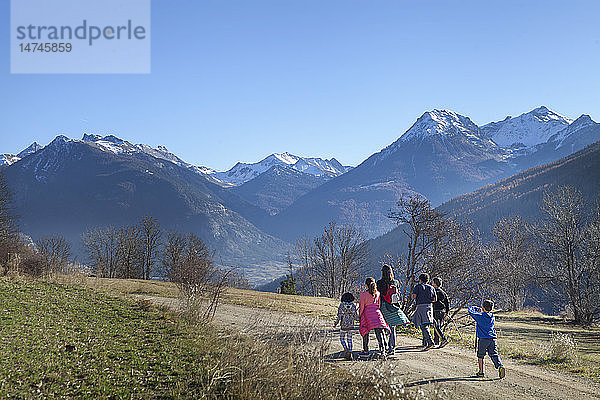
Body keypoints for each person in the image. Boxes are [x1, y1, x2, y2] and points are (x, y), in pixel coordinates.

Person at [468, 300, 506, 379]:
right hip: (492, 338)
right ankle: (500, 366)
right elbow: (485, 314)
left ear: (483, 307)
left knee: (480, 355)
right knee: (493, 354)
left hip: (483, 339)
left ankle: (481, 372)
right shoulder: (492, 316)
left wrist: (475, 308)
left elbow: (470, 311)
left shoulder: (480, 316)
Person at [377, 264, 409, 354]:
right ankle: (392, 348)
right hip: (393, 306)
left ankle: (384, 346)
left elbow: (378, 295)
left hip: (383, 306)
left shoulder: (379, 283)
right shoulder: (395, 282)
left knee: (382, 328)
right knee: (392, 327)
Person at [358, 277, 390, 358]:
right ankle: (383, 351)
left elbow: (361, 307)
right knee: (379, 331)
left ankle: (366, 350)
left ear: (366, 285)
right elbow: (378, 305)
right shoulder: (378, 293)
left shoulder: (363, 294)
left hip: (367, 314)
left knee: (365, 331)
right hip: (377, 313)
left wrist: (360, 316)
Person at [411, 273, 436, 351]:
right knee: (427, 323)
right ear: (428, 280)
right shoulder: (431, 288)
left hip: (421, 306)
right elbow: (435, 299)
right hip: (429, 306)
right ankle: (425, 343)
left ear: (420, 280)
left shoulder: (418, 286)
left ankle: (430, 342)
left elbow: (414, 296)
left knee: (423, 325)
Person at [333, 292, 359, 360]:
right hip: (351, 325)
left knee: (342, 339)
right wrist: (359, 320)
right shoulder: (353, 306)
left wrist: (335, 323)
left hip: (343, 325)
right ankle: (350, 352)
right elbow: (356, 316)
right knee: (349, 339)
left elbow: (339, 316)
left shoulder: (341, 305)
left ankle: (346, 349)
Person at [431, 277, 450, 348]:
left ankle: (443, 339)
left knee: (436, 326)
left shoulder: (433, 291)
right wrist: (447, 311)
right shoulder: (443, 292)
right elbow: (447, 302)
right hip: (442, 311)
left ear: (435, 284)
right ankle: (436, 341)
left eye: (433, 282)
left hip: (435, 310)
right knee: (438, 326)